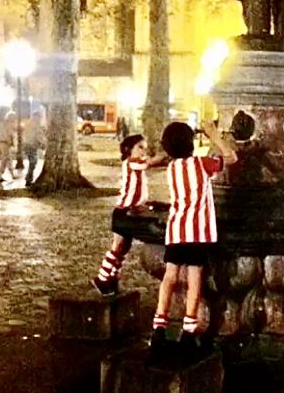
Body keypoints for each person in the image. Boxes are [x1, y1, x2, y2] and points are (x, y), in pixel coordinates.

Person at [151, 119, 238, 360]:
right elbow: (230, 158)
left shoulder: (172, 168)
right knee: (194, 279)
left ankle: (158, 328)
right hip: (197, 232)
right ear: (190, 142)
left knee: (169, 278)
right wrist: (213, 134)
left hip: (176, 229)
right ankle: (188, 332)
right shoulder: (201, 164)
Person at [92, 134, 167, 296]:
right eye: (140, 147)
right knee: (116, 248)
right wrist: (164, 153)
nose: (143, 151)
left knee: (123, 249)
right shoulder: (130, 163)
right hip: (123, 212)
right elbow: (148, 163)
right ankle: (102, 279)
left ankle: (111, 277)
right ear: (128, 149)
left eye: (144, 148)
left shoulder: (136, 165)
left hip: (131, 212)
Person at [22, 111, 46, 187]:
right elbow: (38, 136)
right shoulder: (35, 125)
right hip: (31, 145)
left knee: (33, 162)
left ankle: (29, 178)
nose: (40, 119)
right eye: (39, 117)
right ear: (36, 117)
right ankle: (28, 179)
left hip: (28, 145)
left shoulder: (29, 124)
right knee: (33, 162)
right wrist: (43, 144)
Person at [0, 112, 17, 185]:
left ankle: (5, 175)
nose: (14, 120)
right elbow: (8, 134)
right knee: (5, 159)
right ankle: (8, 175)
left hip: (3, 143)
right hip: (4, 143)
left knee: (7, 159)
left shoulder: (3, 124)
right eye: (13, 118)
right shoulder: (6, 125)